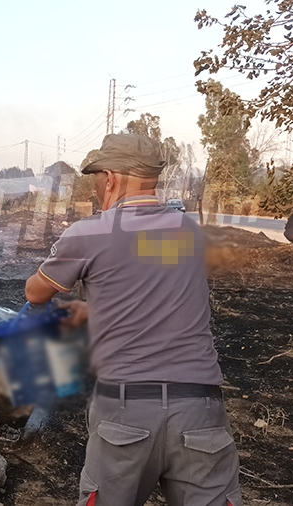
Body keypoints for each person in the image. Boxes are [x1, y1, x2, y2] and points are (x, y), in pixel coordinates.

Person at [25, 133, 241, 506]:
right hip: (200, 411)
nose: (95, 186)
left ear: (110, 178)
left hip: (125, 414)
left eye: (96, 177)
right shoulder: (186, 231)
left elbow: (36, 293)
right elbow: (148, 280)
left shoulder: (90, 233)